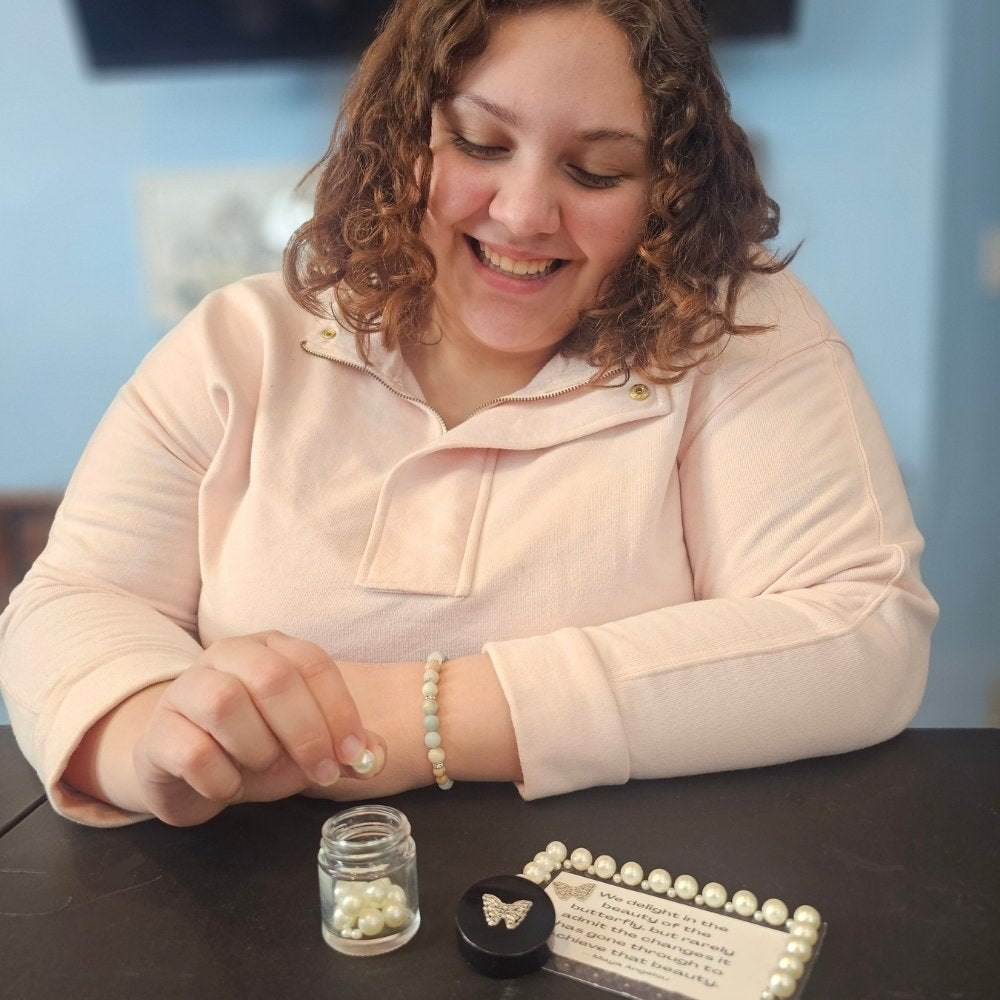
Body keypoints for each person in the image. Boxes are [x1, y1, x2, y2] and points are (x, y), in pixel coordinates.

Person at [0, 0, 937, 828]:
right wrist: (145, 738)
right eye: (481, 145)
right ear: (399, 139)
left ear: (668, 195)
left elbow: (859, 632)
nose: (526, 212)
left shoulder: (735, 329)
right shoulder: (241, 344)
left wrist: (414, 721)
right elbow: (75, 601)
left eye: (599, 171)